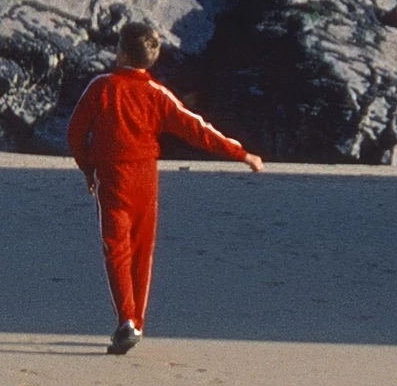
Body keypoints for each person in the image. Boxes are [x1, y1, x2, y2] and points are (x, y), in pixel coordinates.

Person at [64, 21, 261, 354]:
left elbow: (75, 133)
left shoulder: (102, 87)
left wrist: (88, 169)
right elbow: (197, 129)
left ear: (122, 52)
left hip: (112, 177)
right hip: (146, 178)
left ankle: (126, 320)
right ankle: (136, 324)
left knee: (117, 250)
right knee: (142, 251)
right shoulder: (157, 93)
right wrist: (241, 153)